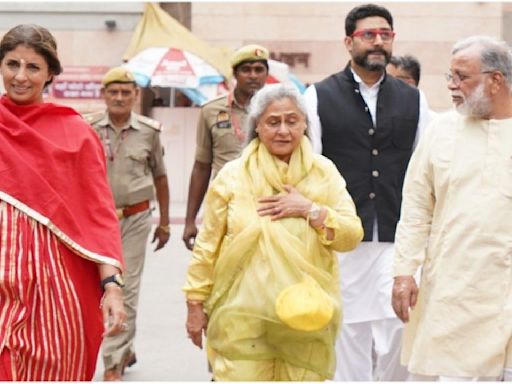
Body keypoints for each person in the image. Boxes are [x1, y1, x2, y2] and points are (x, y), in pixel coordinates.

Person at [183, 84, 364, 381]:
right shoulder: (233, 175)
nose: (283, 130)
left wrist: (311, 210)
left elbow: (351, 235)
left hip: (305, 316)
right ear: (257, 127)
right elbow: (207, 246)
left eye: (292, 121)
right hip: (241, 317)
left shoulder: (323, 172)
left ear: (305, 124)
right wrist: (194, 303)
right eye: (273, 122)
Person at [303, 4, 430, 381]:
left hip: (397, 233)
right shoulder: (318, 96)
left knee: (400, 327)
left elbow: (423, 170)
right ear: (348, 42)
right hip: (343, 238)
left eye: (385, 34)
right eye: (368, 35)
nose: (378, 41)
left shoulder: (414, 101)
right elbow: (312, 167)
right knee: (347, 331)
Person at [0, 24, 126, 381]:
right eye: (12, 64)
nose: (20, 76)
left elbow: (98, 215)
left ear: (51, 73)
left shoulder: (76, 134)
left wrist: (112, 289)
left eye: (33, 67)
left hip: (58, 292)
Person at [392, 35, 512, 381]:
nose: (452, 86)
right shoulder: (440, 131)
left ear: (495, 81)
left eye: (461, 77)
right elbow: (416, 208)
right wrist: (403, 272)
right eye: (449, 76)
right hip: (455, 291)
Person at [85, 67, 170, 381]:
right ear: (104, 94)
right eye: (113, 91)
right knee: (97, 288)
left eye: (126, 92)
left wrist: (164, 223)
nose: (119, 98)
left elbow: (160, 177)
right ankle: (125, 346)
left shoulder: (149, 131)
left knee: (126, 288)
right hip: (96, 220)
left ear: (136, 95)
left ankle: (113, 361)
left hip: (134, 217)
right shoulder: (88, 128)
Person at [182, 44, 269, 250]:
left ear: (266, 74)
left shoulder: (279, 109)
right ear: (235, 74)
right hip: (226, 203)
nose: (253, 76)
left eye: (259, 70)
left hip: (267, 204)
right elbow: (201, 167)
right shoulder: (211, 111)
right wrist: (189, 220)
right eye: (246, 70)